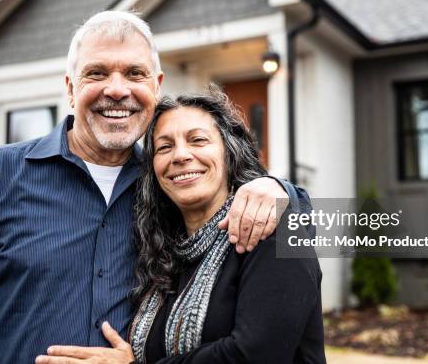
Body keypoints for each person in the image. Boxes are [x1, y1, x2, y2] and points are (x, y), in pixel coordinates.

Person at [0, 12, 311, 363]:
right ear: (70, 88)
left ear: (155, 87)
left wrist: (283, 190)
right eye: (97, 73)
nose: (117, 89)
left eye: (135, 74)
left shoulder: (168, 186)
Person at [36, 88, 325, 364]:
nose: (181, 155)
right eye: (165, 147)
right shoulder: (166, 258)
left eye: (198, 140)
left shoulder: (271, 231)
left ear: (229, 153)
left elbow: (254, 355)